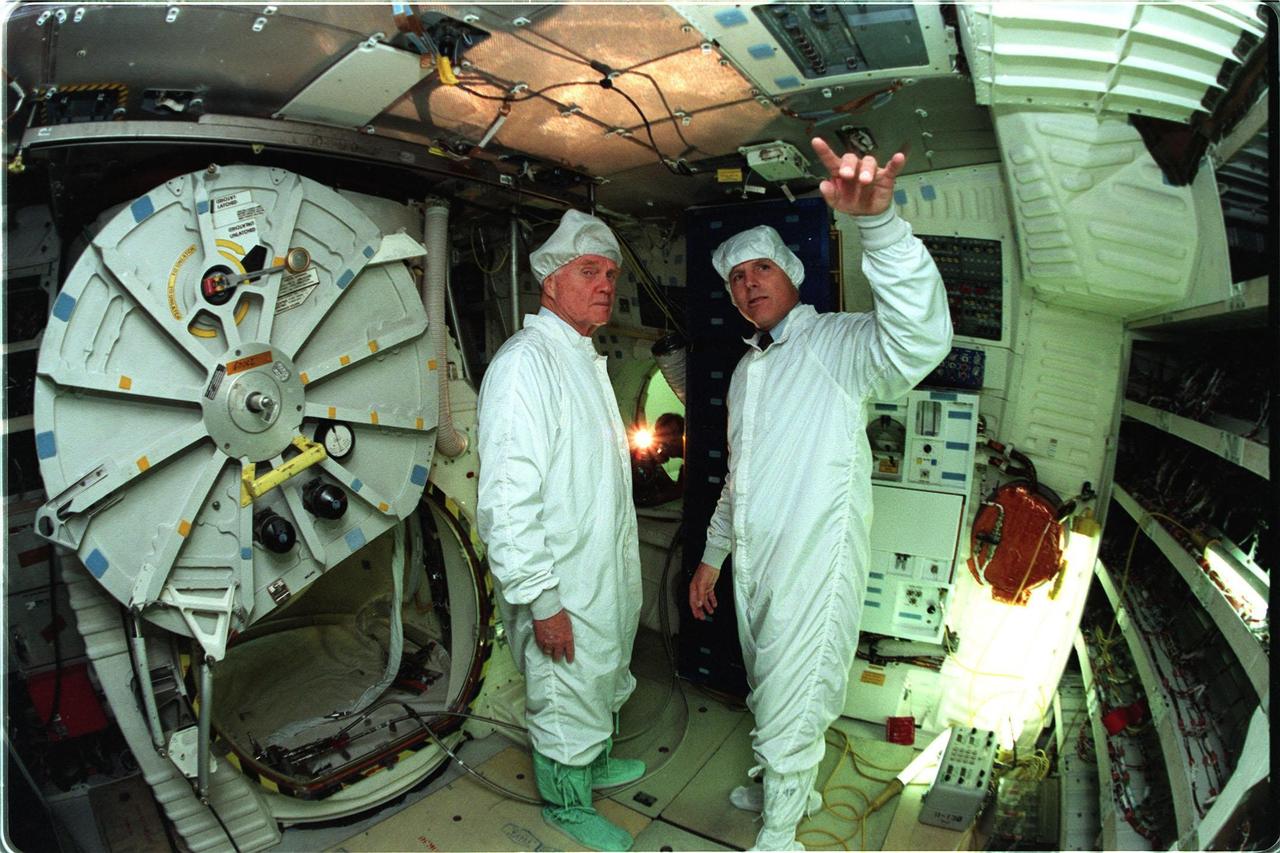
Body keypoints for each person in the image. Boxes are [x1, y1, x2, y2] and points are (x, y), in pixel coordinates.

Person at [687, 138, 953, 850]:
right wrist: (713, 557)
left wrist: (881, 227)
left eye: (762, 268)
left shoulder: (835, 346)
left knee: (796, 693)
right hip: (757, 566)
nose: (748, 284)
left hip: (812, 565)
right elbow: (739, 478)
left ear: (794, 272)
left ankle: (780, 833)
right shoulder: (749, 372)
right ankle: (787, 783)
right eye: (737, 276)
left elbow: (917, 340)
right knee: (769, 684)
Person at [476, 209, 644, 852]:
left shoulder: (580, 357)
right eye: (589, 271)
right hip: (563, 583)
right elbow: (508, 503)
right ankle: (566, 805)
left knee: (601, 675)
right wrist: (542, 600)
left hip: (600, 569)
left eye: (610, 274)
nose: (605, 285)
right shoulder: (528, 365)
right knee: (565, 691)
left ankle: (594, 764)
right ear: (551, 281)